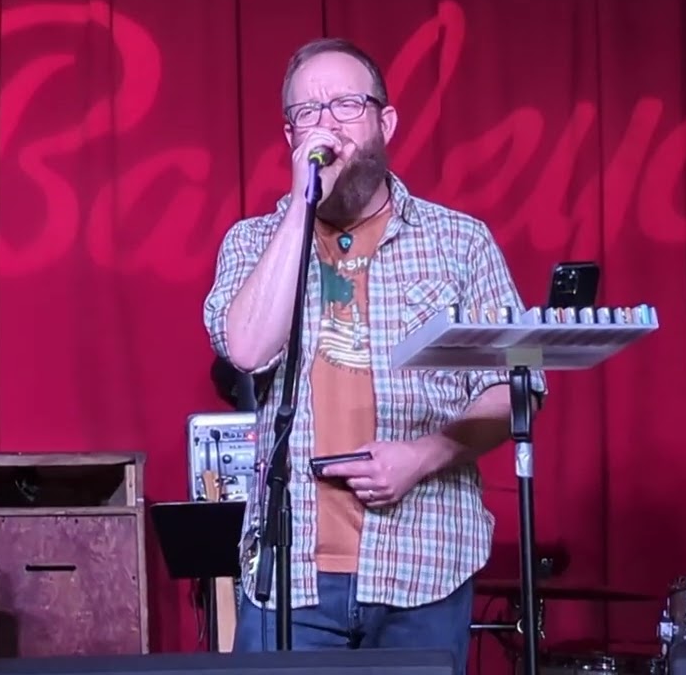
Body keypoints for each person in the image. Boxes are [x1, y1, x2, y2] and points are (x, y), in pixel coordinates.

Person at [203, 37, 546, 670]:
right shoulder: (253, 242)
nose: (327, 123)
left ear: (385, 122)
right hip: (292, 573)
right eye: (308, 112)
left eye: (345, 105)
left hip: (425, 564)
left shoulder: (460, 243)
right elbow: (247, 349)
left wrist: (424, 455)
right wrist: (301, 205)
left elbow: (516, 387)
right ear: (290, 136)